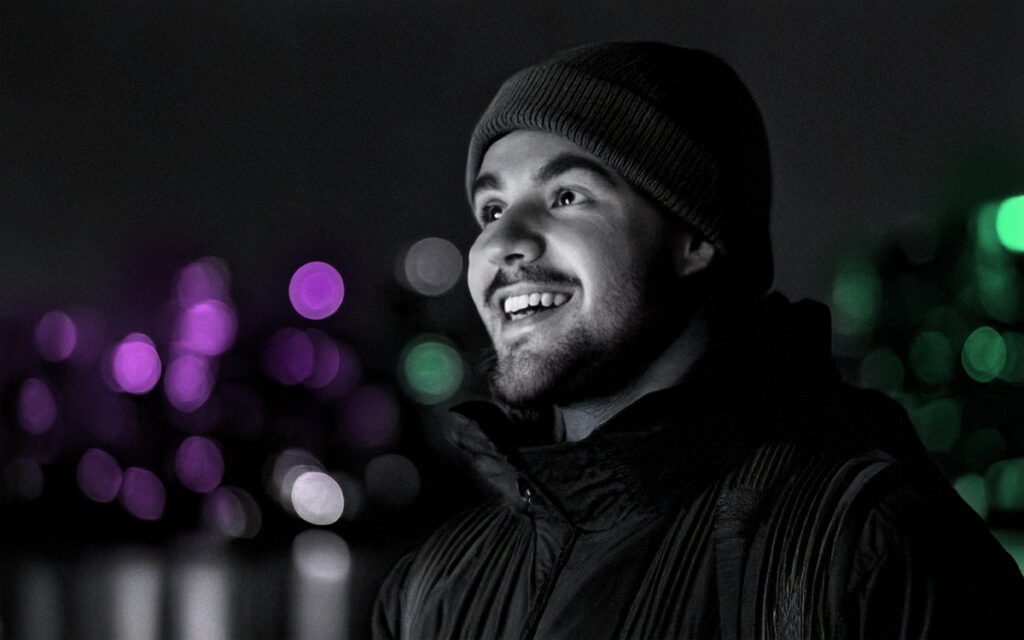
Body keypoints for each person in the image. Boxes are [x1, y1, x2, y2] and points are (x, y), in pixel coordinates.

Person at [373, 42, 1024, 639]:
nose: (503, 242)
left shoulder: (863, 552)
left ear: (695, 238)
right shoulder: (432, 589)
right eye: (490, 210)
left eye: (566, 195)